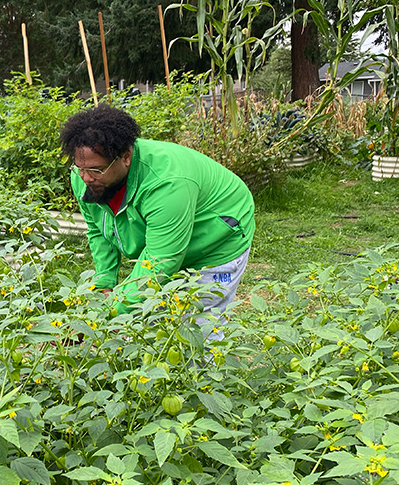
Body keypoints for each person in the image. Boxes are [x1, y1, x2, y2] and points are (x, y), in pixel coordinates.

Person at [59, 104, 255, 326]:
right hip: (167, 240)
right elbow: (98, 230)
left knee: (197, 332)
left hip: (218, 236)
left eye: (96, 170)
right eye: (80, 168)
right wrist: (104, 284)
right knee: (151, 323)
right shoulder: (84, 177)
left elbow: (160, 263)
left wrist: (102, 315)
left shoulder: (167, 184)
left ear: (126, 156)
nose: (85, 177)